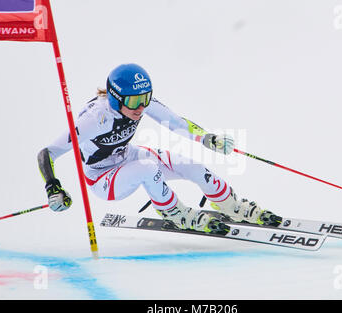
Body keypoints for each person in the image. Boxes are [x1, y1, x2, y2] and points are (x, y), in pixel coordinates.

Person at [37, 63, 282, 233]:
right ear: (114, 97)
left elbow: (175, 123)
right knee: (146, 168)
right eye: (134, 101)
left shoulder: (139, 102)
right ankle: (175, 213)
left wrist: (207, 138)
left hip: (126, 157)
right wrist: (52, 187)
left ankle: (229, 204)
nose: (140, 107)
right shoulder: (95, 119)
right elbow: (47, 153)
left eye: (145, 98)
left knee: (190, 164)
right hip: (102, 178)